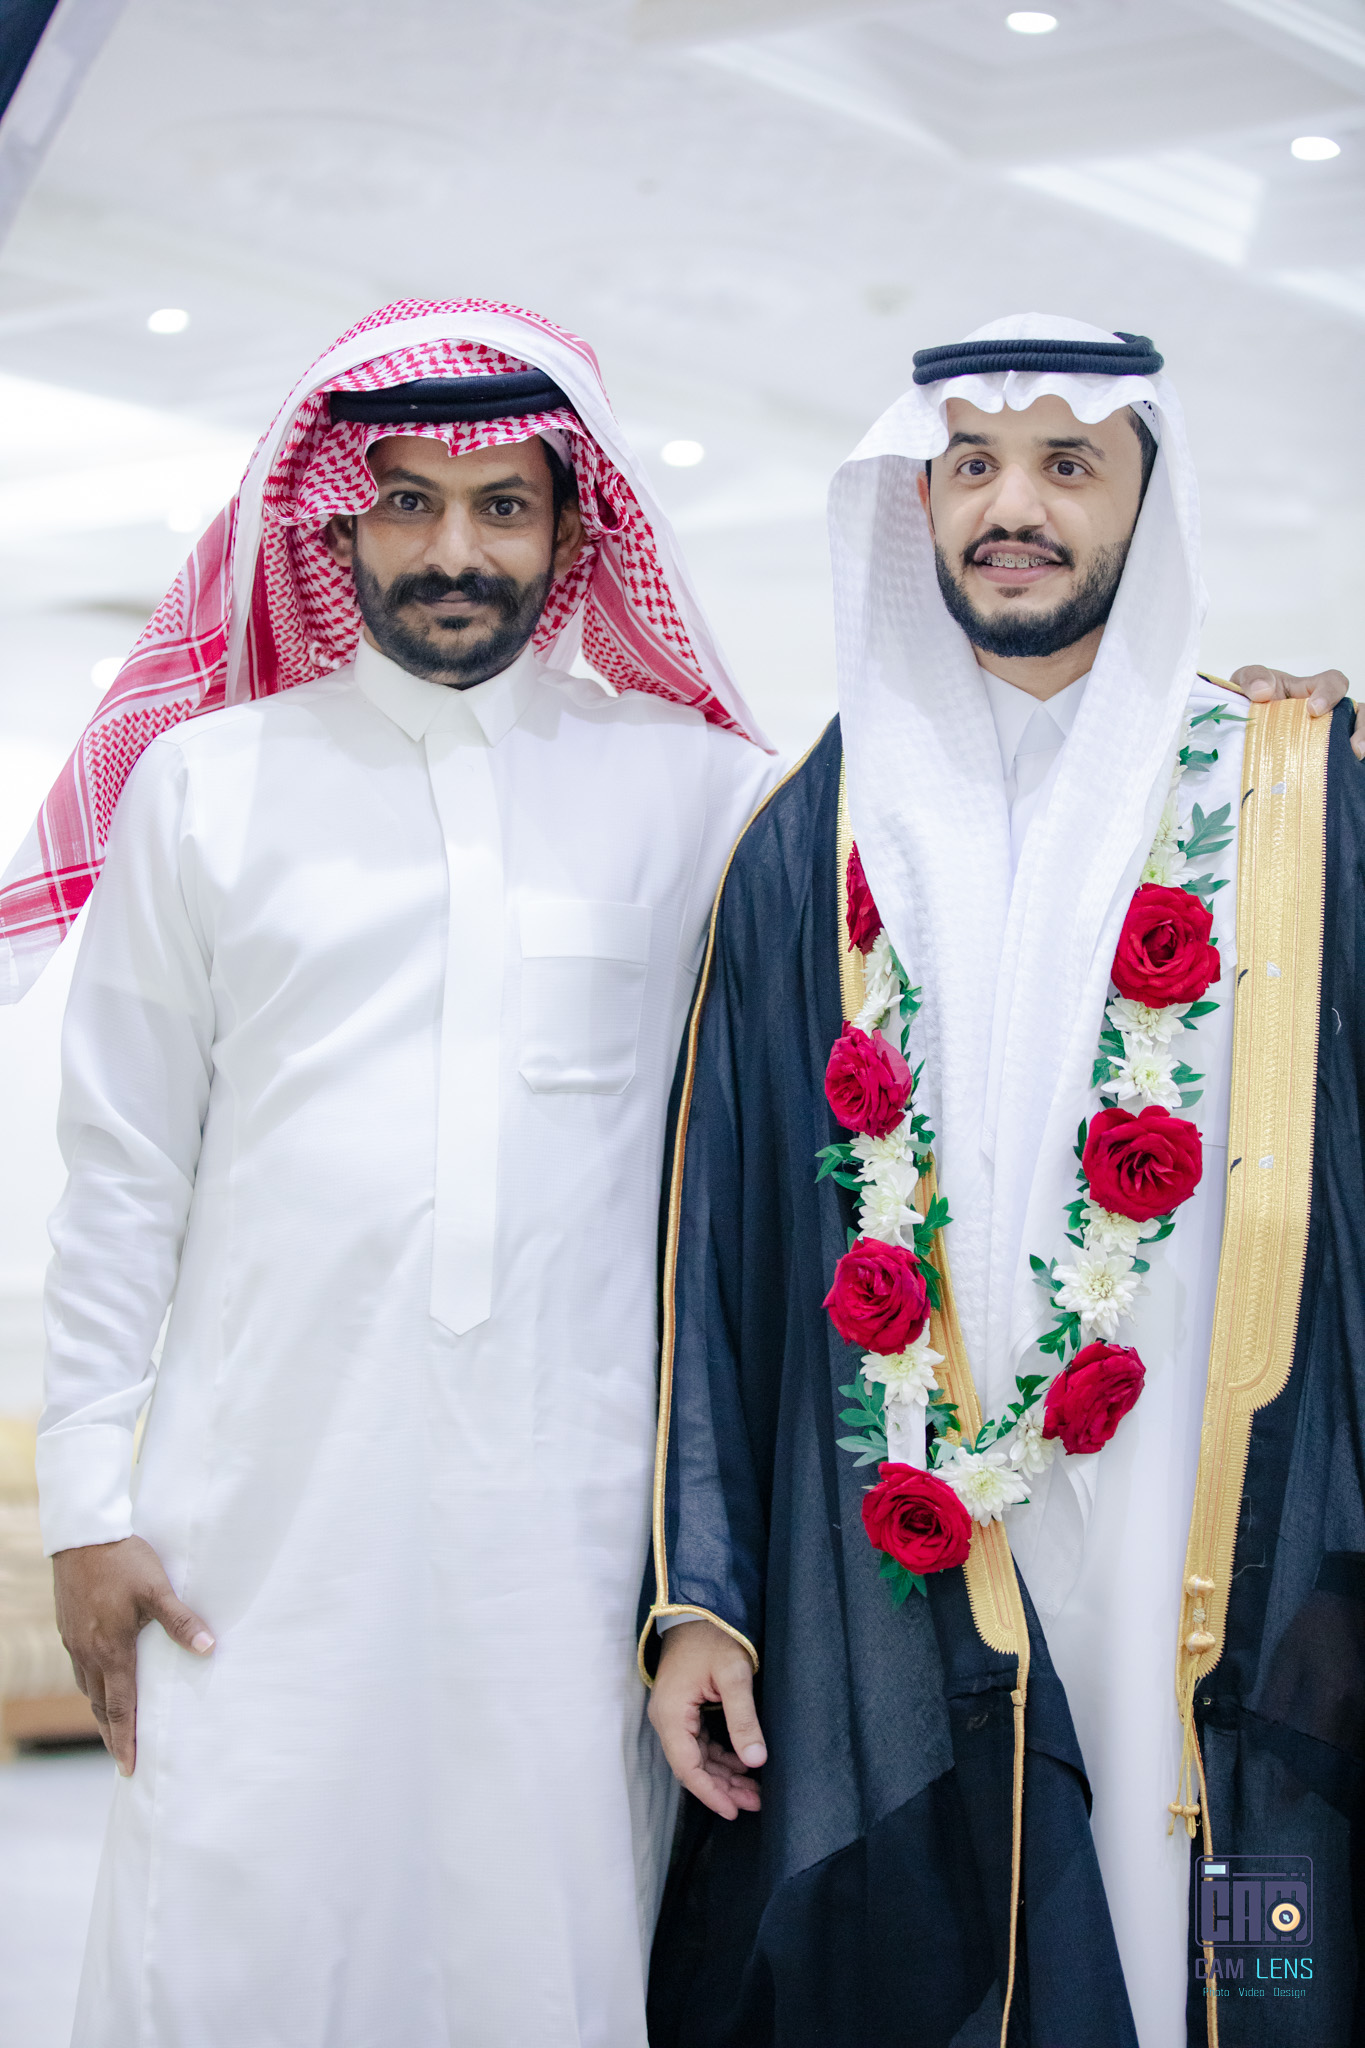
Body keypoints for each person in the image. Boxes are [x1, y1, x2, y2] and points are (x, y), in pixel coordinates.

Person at [6, 300, 778, 2048]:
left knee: (536, 1945)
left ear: (573, 533)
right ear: (334, 519)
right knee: (237, 1934)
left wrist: (1234, 738)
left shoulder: (702, 796)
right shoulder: (205, 789)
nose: (452, 549)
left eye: (502, 506)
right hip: (251, 1524)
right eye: (407, 500)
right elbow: (120, 1173)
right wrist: (89, 1508)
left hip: (568, 1537)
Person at [644, 316, 1364, 2048]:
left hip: (1217, 1495)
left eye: (1065, 464)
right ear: (918, 500)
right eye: (969, 465)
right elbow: (712, 1237)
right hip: (913, 1528)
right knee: (966, 1944)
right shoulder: (811, 833)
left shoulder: (1286, 788)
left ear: (1143, 502)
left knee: (1237, 1919)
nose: (1010, 507)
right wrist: (700, 1594)